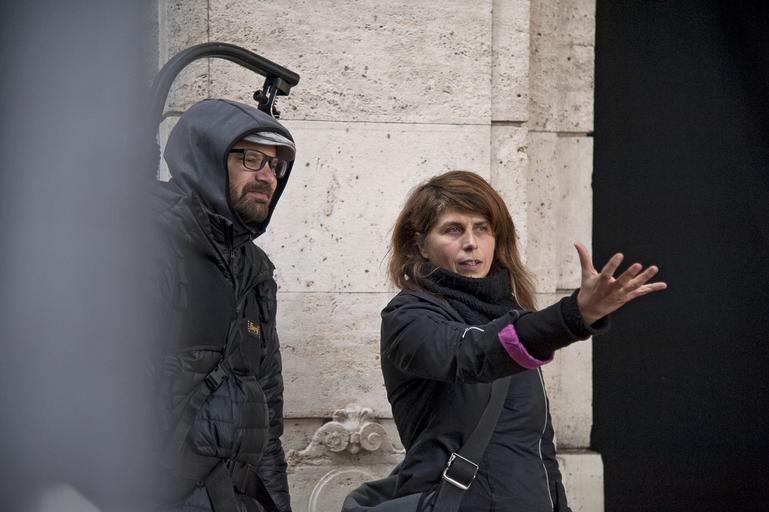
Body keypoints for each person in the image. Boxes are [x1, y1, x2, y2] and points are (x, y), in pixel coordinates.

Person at [372, 171, 665, 511]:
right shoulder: (407, 317)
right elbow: (470, 353)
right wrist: (572, 316)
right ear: (420, 245)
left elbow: (538, 449)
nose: (472, 242)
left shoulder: (514, 319)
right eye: (453, 229)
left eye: (482, 228)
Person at [152, 98, 296, 512]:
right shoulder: (148, 246)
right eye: (251, 158)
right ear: (206, 158)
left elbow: (267, 420)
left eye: (275, 165)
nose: (266, 176)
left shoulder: (256, 270)